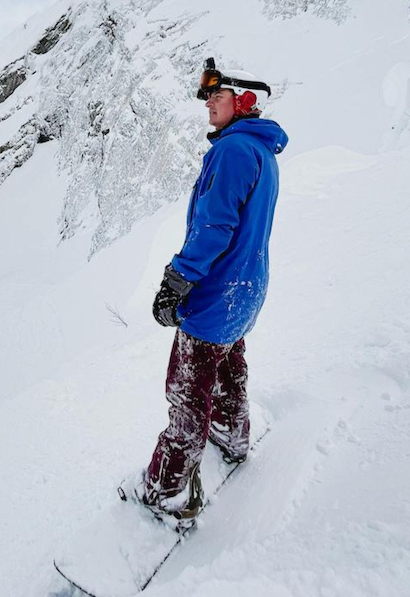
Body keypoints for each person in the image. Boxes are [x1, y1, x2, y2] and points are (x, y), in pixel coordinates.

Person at [129, 60, 288, 527]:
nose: (207, 104)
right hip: (244, 290)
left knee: (187, 392)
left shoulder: (234, 151)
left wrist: (177, 280)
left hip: (216, 292)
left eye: (216, 96)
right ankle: (232, 437)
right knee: (228, 367)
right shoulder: (262, 151)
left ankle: (168, 491)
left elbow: (214, 227)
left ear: (244, 101)